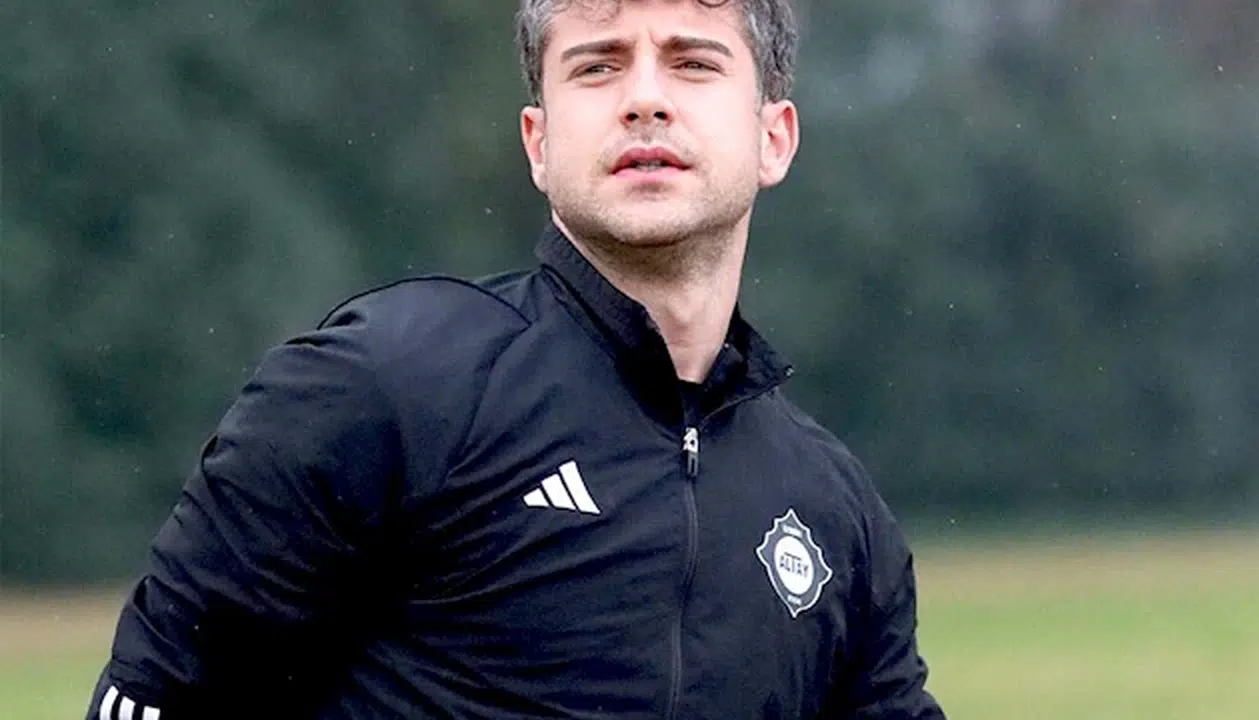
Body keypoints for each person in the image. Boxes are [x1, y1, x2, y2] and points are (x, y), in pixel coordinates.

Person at [86, 0, 946, 717]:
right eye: (598, 66)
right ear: (538, 142)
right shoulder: (384, 388)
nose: (645, 99)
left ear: (774, 138)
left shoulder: (835, 515)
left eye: (692, 63)